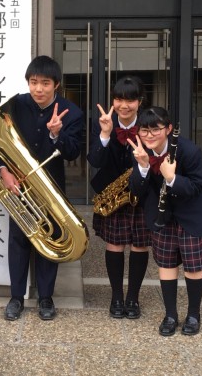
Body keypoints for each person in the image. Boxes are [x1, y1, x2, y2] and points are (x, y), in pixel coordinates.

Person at [0, 55, 84, 322]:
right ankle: (15, 298)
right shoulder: (15, 105)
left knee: (49, 241)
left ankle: (46, 298)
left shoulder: (72, 112)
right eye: (34, 82)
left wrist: (57, 134)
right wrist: (3, 172)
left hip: (51, 189)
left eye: (45, 83)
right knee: (18, 241)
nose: (38, 89)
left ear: (56, 85)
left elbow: (72, 153)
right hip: (19, 188)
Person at [127, 106, 202, 336]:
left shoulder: (187, 150)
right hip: (163, 213)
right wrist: (142, 166)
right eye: (144, 130)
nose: (149, 135)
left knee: (194, 266)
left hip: (194, 212)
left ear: (169, 129)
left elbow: (199, 186)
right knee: (166, 264)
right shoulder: (141, 150)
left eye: (156, 129)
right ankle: (170, 314)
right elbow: (137, 190)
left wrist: (172, 178)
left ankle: (193, 314)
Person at [87, 76, 150, 320]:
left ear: (139, 101)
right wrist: (105, 134)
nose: (124, 105)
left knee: (139, 245)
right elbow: (94, 161)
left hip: (142, 193)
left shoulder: (149, 122)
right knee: (114, 244)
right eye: (119, 99)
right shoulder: (103, 122)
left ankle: (133, 296)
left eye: (130, 100)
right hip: (112, 195)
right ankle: (116, 296)